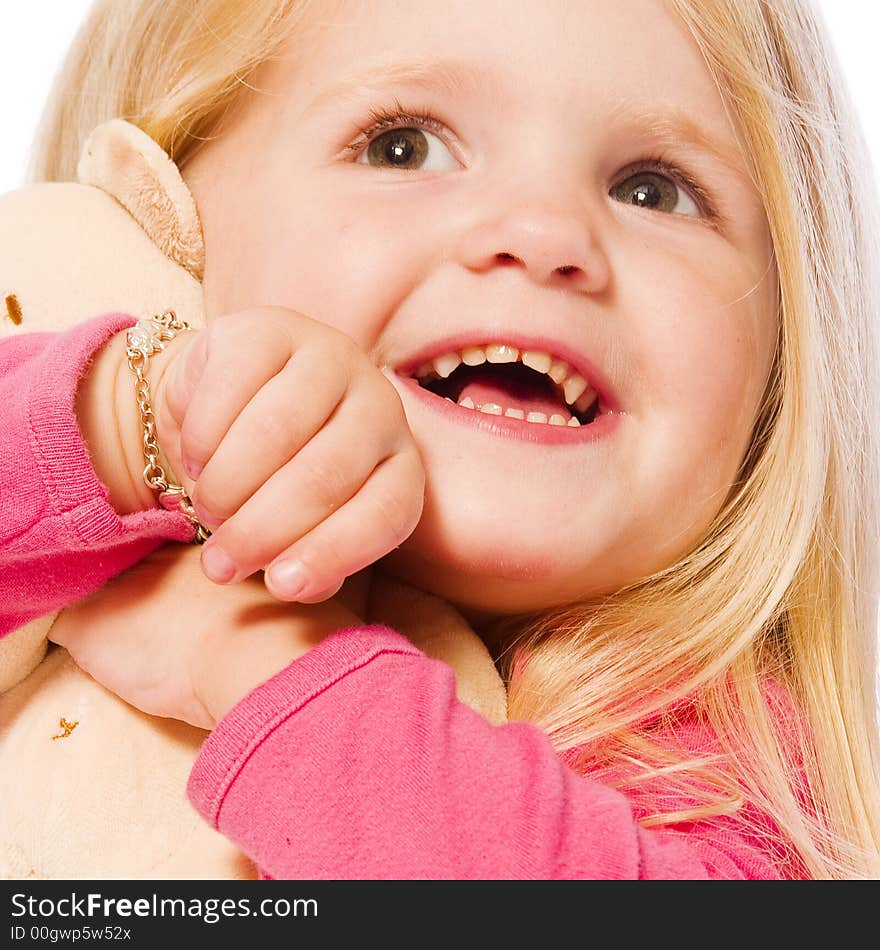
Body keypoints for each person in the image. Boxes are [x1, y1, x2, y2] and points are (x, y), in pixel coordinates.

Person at [2, 0, 880, 879]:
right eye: (404, 146)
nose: (544, 235)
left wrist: (272, 663)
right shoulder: (72, 462)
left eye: (653, 189)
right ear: (164, 214)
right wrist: (132, 422)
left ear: (783, 345)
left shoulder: (730, 769)